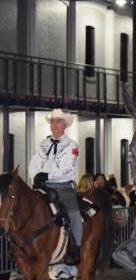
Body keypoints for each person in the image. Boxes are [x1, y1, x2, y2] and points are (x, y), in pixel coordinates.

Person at [29, 108, 82, 266]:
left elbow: (67, 168)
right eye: (52, 121)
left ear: (65, 124)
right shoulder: (43, 144)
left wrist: (48, 175)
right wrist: (36, 175)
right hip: (42, 185)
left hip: (63, 186)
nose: (54, 124)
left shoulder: (72, 145)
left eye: (58, 121)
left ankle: (75, 247)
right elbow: (34, 163)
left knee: (73, 212)